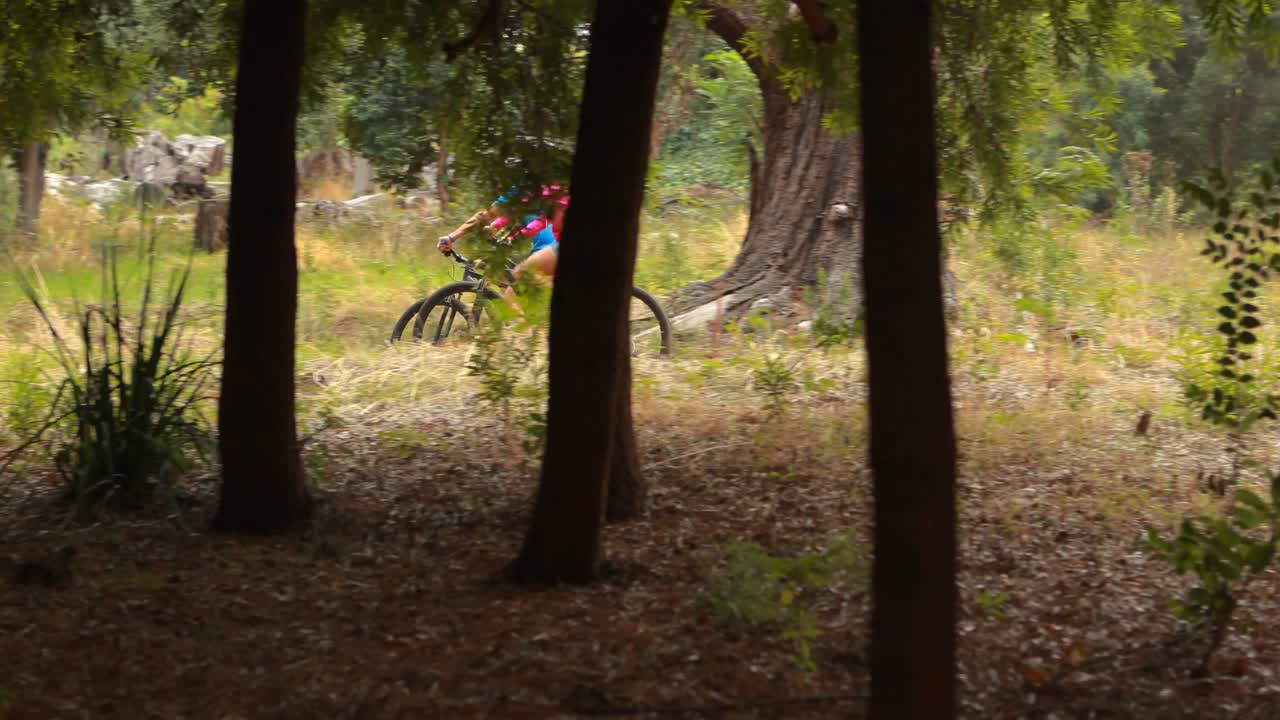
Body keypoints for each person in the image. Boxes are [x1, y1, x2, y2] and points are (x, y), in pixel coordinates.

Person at [436, 184, 568, 281]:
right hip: (548, 247)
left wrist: (451, 237)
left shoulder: (520, 188)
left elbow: (485, 217)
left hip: (547, 249)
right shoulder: (537, 190)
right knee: (509, 277)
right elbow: (511, 225)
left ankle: (518, 318)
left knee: (514, 282)